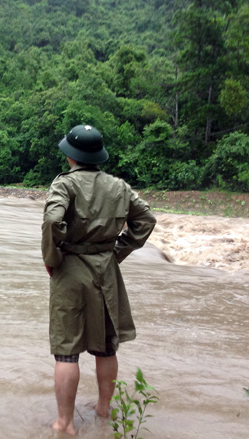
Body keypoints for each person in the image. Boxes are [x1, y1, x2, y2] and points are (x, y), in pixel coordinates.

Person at [41, 124, 157, 436]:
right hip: (106, 271)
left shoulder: (64, 185)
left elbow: (53, 220)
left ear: (70, 157)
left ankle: (65, 424)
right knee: (107, 346)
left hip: (70, 269)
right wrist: (116, 251)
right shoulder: (119, 187)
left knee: (67, 350)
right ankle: (104, 409)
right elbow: (146, 219)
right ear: (98, 157)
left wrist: (52, 260)